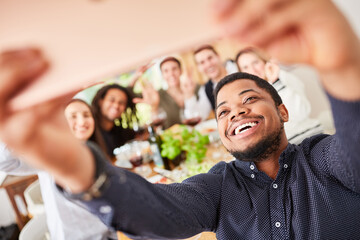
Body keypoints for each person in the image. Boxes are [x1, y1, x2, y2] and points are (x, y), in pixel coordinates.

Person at [0, 0, 360, 239]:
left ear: (282, 112)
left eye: (250, 99)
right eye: (223, 111)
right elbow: (159, 213)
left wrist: (344, 68)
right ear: (221, 132)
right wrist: (74, 166)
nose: (235, 111)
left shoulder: (322, 160)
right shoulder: (219, 187)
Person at [0, 99, 116, 240]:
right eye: (73, 116)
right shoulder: (50, 159)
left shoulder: (95, 155)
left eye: (86, 115)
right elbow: (4, 161)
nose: (81, 121)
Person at [235, 47, 323, 144]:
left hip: (307, 138)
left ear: (264, 61)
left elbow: (301, 112)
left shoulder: (283, 78)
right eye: (245, 67)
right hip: (284, 145)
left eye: (255, 63)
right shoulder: (253, 92)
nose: (253, 70)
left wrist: (276, 82)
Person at [131, 56, 199, 129]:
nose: (171, 74)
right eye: (166, 71)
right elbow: (127, 95)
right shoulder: (157, 94)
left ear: (181, 70)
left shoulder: (196, 88)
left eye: (174, 69)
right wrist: (135, 77)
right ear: (162, 75)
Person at [91, 84, 138, 157]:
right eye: (112, 100)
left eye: (121, 102)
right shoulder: (91, 135)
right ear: (100, 102)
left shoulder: (123, 133)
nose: (116, 106)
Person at [184, 45, 228, 121]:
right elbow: (198, 116)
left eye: (210, 58)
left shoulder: (240, 67)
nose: (208, 64)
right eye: (202, 62)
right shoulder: (206, 89)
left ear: (218, 57)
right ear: (199, 68)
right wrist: (189, 94)